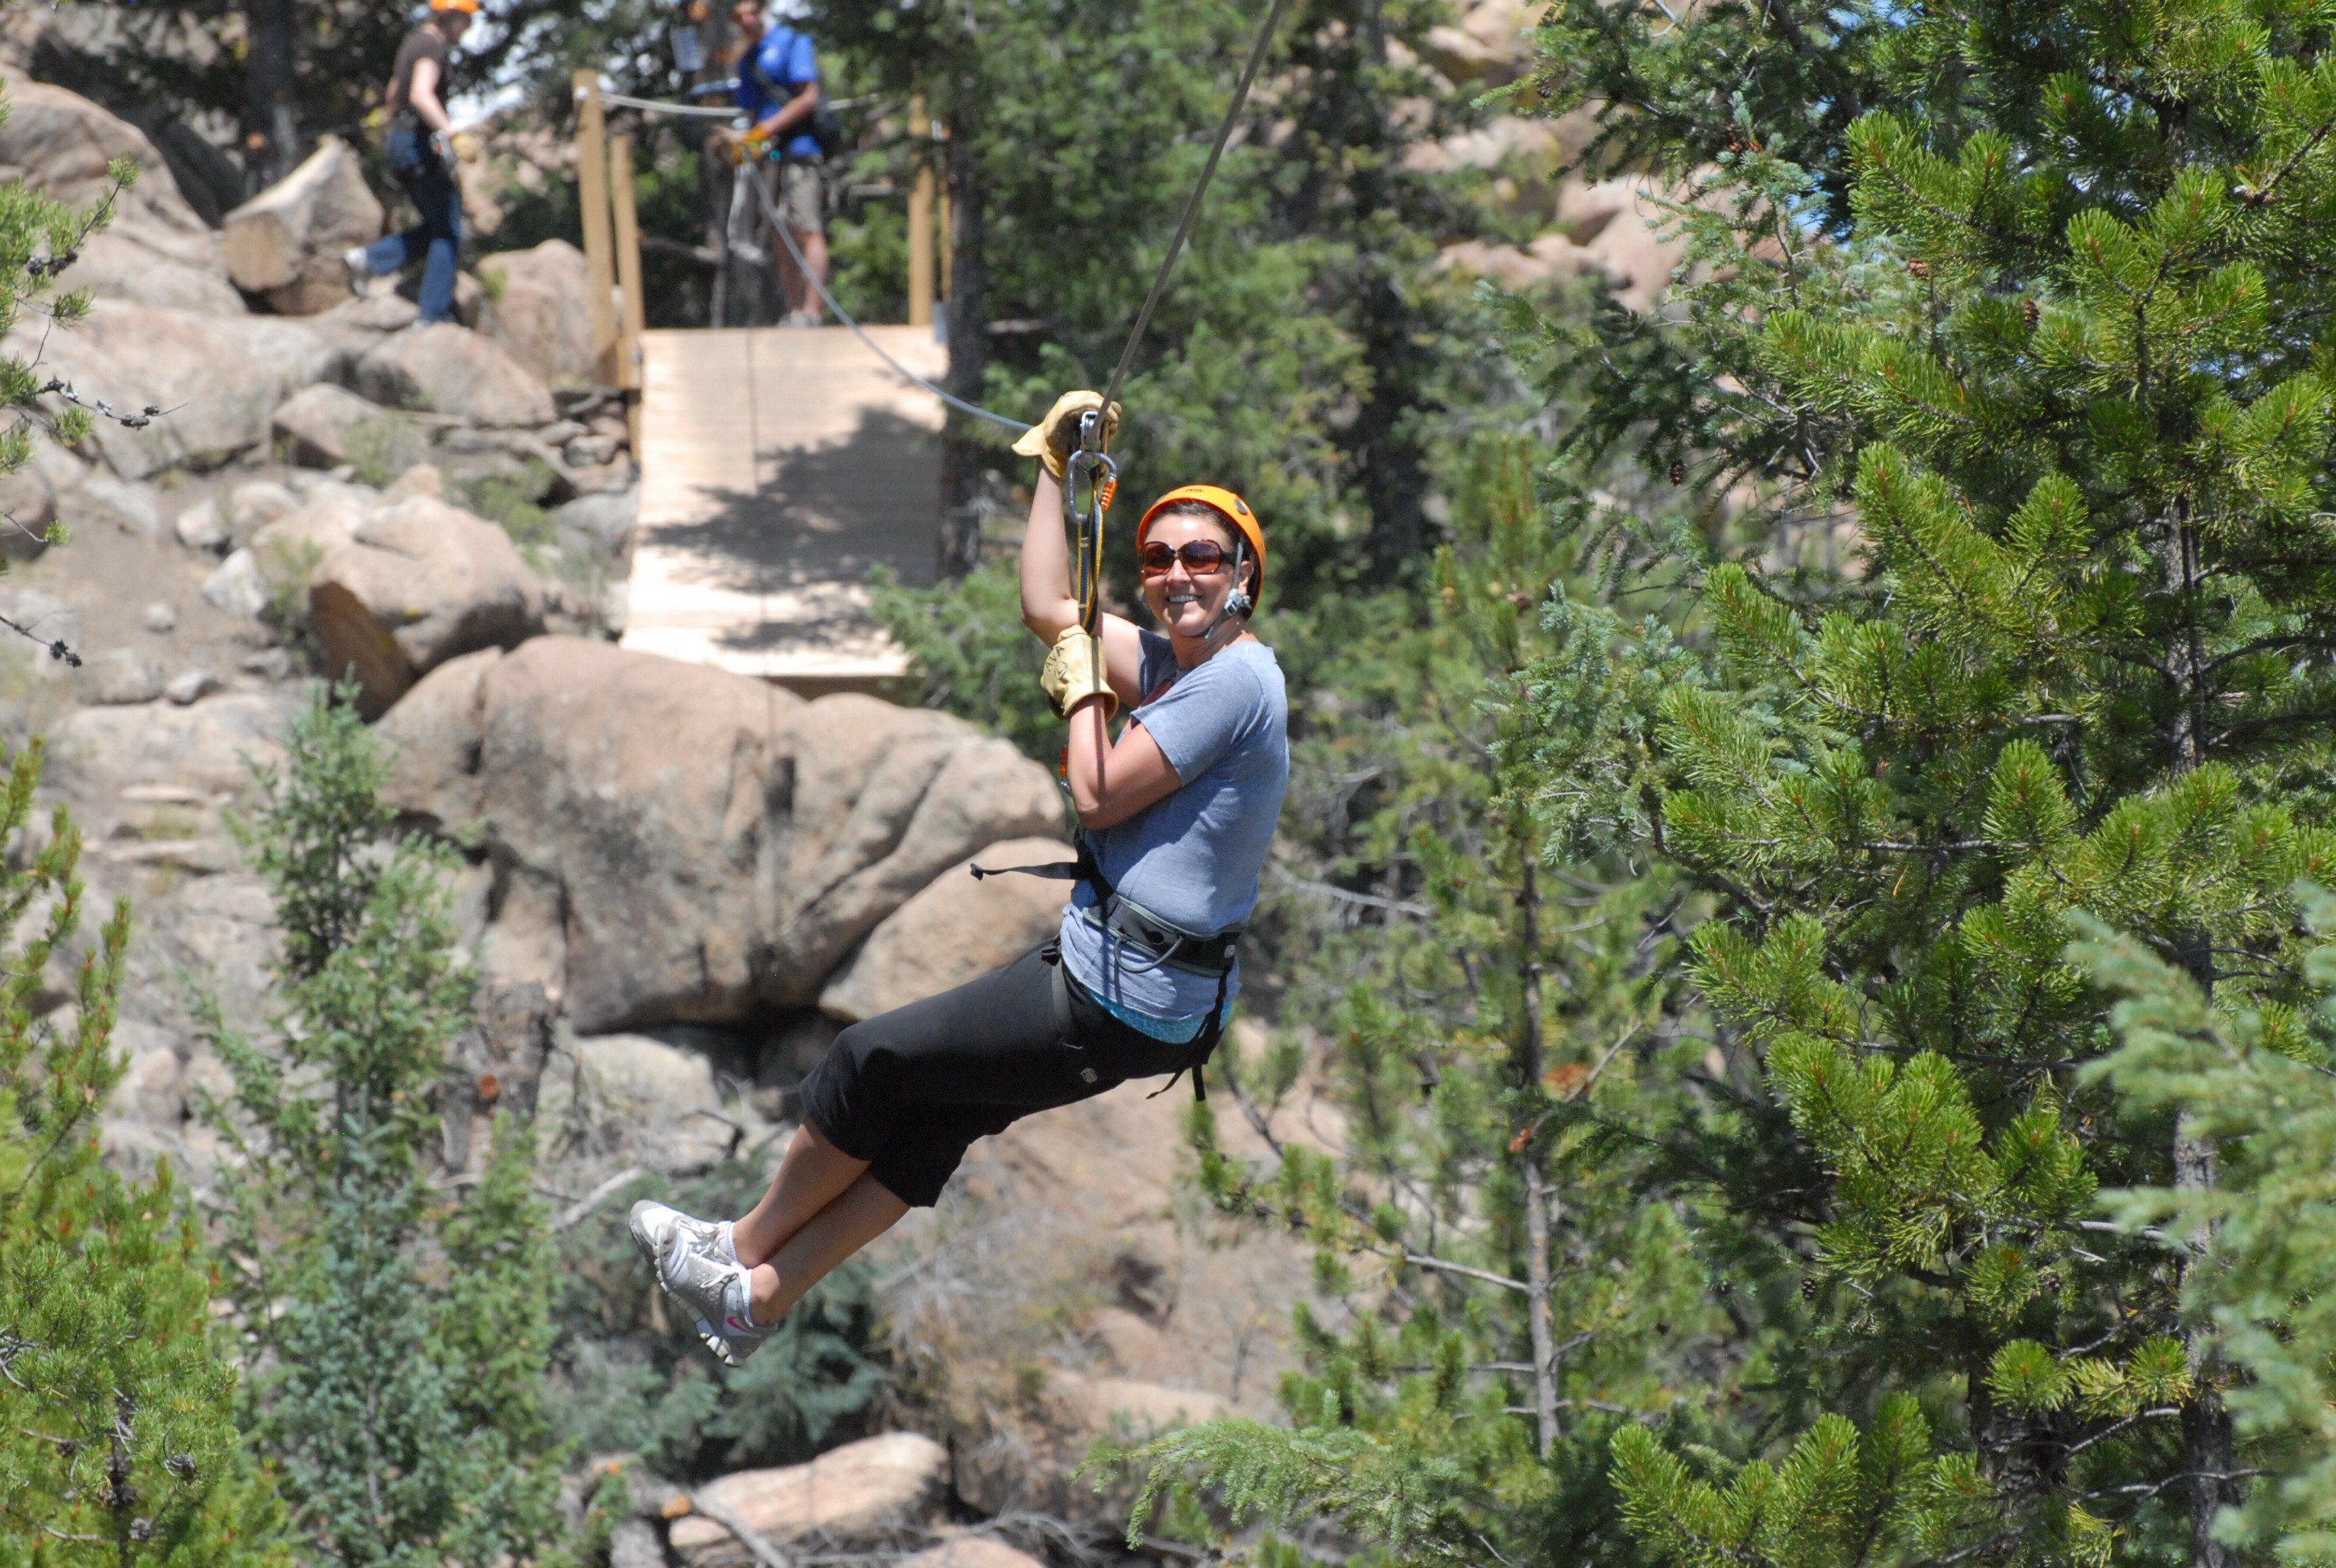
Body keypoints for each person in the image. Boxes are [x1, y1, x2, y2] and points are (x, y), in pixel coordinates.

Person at [631, 390, 1289, 1365]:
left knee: (870, 1063)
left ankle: (730, 1249)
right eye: (1158, 560)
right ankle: (756, 1301)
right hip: (1146, 994)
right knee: (930, 1123)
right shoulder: (1185, 665)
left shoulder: (1232, 679)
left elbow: (1100, 794)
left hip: (1119, 993)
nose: (1176, 575)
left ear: (1244, 577)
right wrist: (1049, 470)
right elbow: (1046, 608)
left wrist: (1084, 687)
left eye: (1202, 557)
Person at [345, 0, 475, 325]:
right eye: (467, 20)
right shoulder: (433, 45)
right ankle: (432, 315)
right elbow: (420, 93)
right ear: (451, 16)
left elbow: (394, 93)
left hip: (401, 141)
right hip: (417, 143)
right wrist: (452, 133)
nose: (468, 29)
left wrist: (395, 130)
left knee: (437, 224)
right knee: (448, 229)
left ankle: (370, 260)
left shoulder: (414, 42)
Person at [722, 0, 829, 327]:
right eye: (738, 16)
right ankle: (795, 311)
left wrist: (766, 130)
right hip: (770, 156)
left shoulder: (792, 42)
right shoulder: (748, 60)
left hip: (800, 149)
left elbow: (807, 96)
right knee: (780, 233)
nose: (746, 20)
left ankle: (813, 312)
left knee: (807, 228)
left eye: (750, 11)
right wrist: (741, 146)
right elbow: (751, 115)